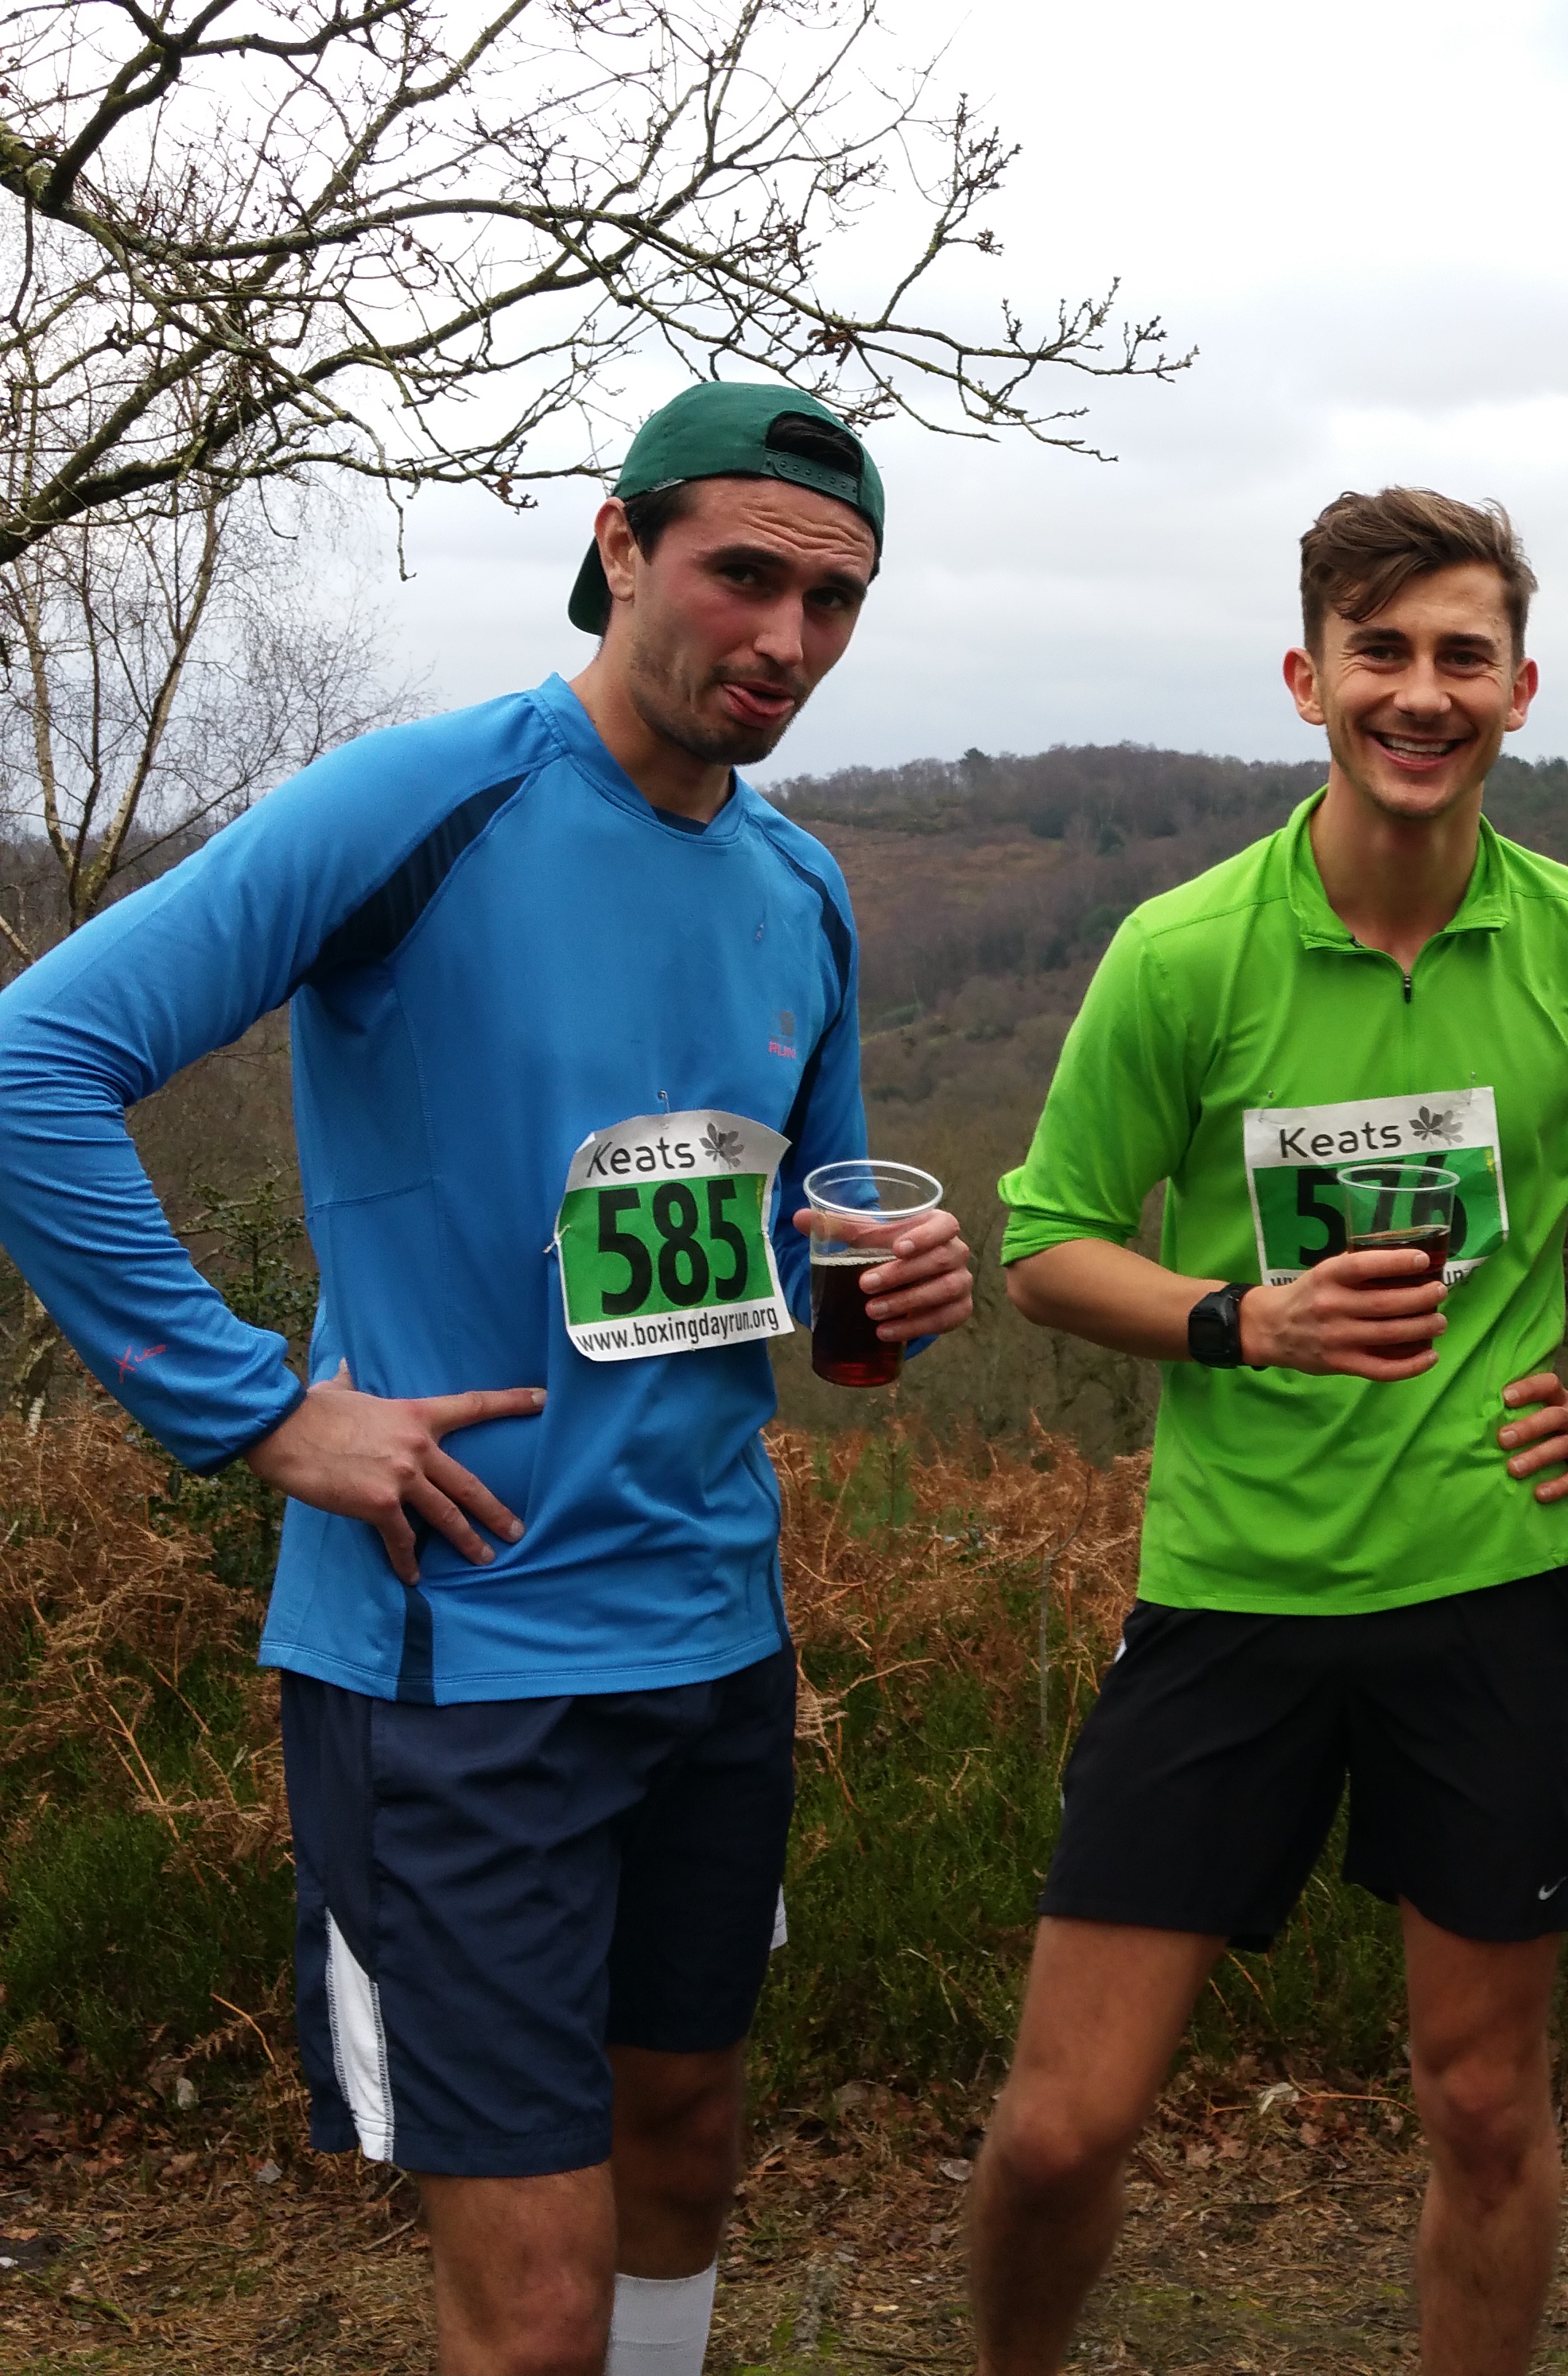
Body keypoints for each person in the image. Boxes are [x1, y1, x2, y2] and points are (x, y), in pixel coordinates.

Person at [0, 383, 972, 2376]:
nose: (786, 641)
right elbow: (31, 1069)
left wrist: (885, 1299)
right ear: (621, 548)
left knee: (684, 2159)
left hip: (713, 1646)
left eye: (837, 601)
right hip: (459, 1671)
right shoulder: (422, 802)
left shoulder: (804, 887)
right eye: (744, 577)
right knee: (529, 2310)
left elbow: (797, 1257)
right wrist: (259, 1409)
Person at [964, 487, 1568, 2376]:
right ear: (1310, 680)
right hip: (1232, 1594)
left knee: (1481, 2107)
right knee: (1061, 2128)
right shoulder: (1187, 952)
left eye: (1463, 655)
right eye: (1382, 652)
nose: (1423, 692)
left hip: (1495, 1591)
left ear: (1521, 688)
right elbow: (1043, 1247)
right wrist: (1241, 1317)